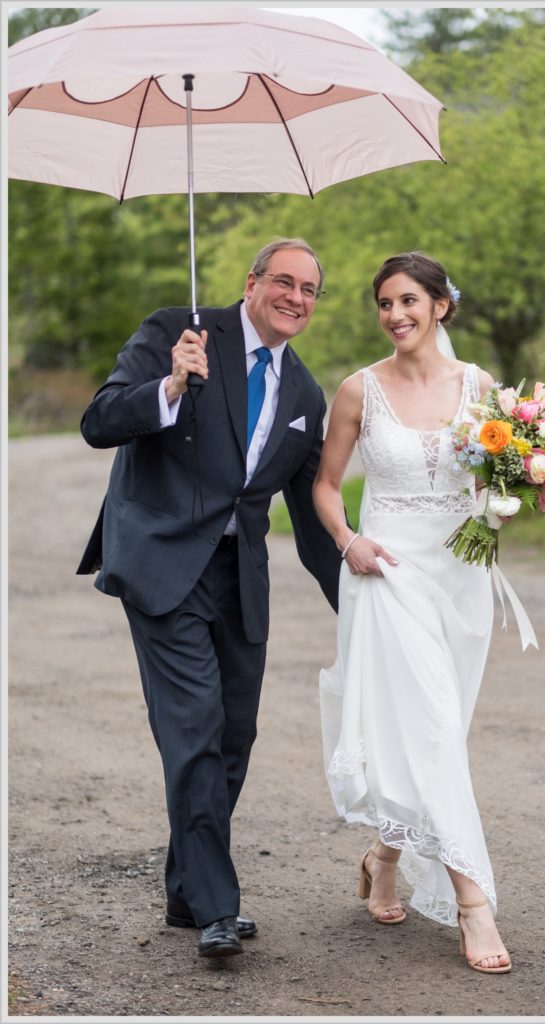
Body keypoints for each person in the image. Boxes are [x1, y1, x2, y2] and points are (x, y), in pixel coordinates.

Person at [78, 238, 341, 959]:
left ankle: (185, 892)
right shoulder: (177, 331)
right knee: (192, 729)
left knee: (232, 738)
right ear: (251, 283)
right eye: (283, 282)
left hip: (238, 577)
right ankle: (219, 909)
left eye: (310, 290)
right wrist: (166, 389)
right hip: (162, 564)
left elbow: (313, 518)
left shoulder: (305, 394)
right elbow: (98, 421)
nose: (295, 297)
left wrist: (362, 602)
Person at [313, 251, 512, 974]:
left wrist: (520, 501)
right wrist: (349, 539)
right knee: (431, 726)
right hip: (386, 570)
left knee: (440, 730)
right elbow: (327, 486)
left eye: (407, 301)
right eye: (384, 304)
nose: (394, 315)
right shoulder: (358, 389)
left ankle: (383, 855)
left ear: (441, 306)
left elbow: (502, 476)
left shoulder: (481, 387)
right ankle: (472, 903)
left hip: (462, 577)